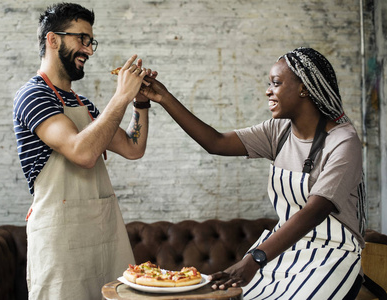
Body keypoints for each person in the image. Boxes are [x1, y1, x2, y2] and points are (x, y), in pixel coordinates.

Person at [140, 47, 366, 299]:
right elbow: (215, 142)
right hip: (285, 252)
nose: (268, 90)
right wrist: (164, 97)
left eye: (276, 83)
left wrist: (255, 258)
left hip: (332, 255)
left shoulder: (343, 141)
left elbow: (315, 211)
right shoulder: (277, 132)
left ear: (304, 88)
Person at [13, 3, 156, 299]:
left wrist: (139, 102)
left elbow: (133, 148)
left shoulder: (84, 104)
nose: (89, 50)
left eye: (91, 42)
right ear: (53, 40)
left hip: (102, 235)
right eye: (82, 39)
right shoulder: (33, 95)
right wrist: (120, 96)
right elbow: (83, 153)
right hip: (59, 243)